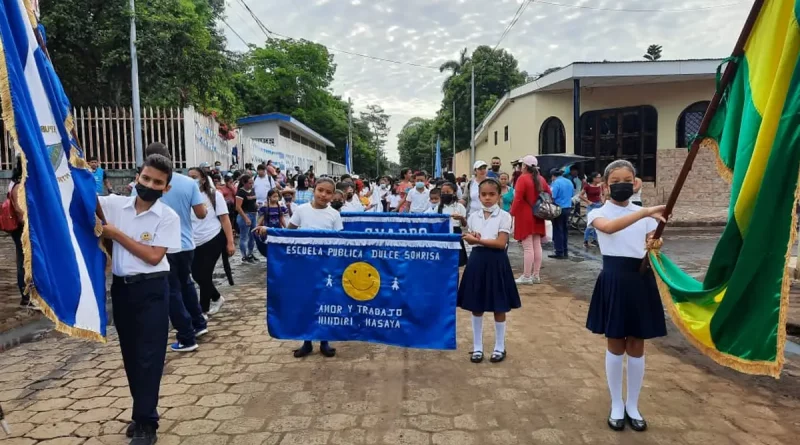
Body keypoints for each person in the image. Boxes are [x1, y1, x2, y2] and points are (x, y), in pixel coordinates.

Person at [99, 154, 180, 445]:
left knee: (149, 358)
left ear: (165, 188)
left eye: (157, 182)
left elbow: (153, 256)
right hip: (122, 290)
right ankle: (142, 412)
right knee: (131, 355)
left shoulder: (168, 217)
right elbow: (82, 199)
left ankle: (148, 424)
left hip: (153, 290)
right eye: (145, 178)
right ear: (137, 177)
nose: (149, 185)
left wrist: (116, 235)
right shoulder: (114, 205)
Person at [585, 160, 667, 433]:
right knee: (616, 342)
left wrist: (655, 243)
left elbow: (649, 247)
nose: (622, 184)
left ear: (635, 183)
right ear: (606, 186)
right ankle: (616, 403)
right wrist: (645, 212)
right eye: (615, 180)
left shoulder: (644, 214)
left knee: (637, 343)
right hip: (614, 279)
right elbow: (609, 229)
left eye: (627, 179)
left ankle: (633, 404)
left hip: (640, 280)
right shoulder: (597, 212)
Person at [135, 144, 209, 354]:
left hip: (161, 247)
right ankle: (198, 323)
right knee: (186, 284)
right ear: (171, 157)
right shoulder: (188, 183)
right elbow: (201, 213)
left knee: (171, 292)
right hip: (186, 244)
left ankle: (186, 336)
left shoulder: (142, 184)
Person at [257, 178, 343, 358]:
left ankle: (325, 342)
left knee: (324, 303)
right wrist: (268, 230)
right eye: (320, 190)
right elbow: (288, 234)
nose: (323, 195)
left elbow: (340, 242)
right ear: (314, 190)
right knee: (305, 302)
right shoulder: (301, 210)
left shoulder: (334, 215)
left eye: (328, 192)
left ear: (333, 195)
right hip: (303, 268)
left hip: (325, 268)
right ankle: (307, 341)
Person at [457, 178, 520, 364]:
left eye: (492, 194)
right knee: (477, 306)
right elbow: (474, 236)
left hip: (496, 262)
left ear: (499, 195)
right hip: (477, 261)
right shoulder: (474, 216)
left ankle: (499, 347)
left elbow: (501, 243)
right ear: (478, 195)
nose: (487, 198)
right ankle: (477, 347)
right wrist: (473, 237)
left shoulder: (504, 216)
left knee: (499, 306)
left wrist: (477, 240)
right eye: (483, 194)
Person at [188, 167, 234, 316]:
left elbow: (225, 219)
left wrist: (230, 242)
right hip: (194, 241)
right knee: (196, 274)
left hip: (213, 238)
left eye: (194, 177)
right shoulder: (187, 195)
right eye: (189, 177)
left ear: (203, 179)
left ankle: (203, 311)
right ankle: (217, 297)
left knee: (205, 275)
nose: (191, 180)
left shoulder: (214, 195)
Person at [510, 155, 551, 285]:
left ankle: (526, 276)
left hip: (525, 214)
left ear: (524, 166)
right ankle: (536, 275)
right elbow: (549, 193)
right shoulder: (541, 179)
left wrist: (511, 213)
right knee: (537, 245)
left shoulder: (522, 179)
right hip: (538, 214)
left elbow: (518, 198)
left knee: (527, 247)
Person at [7, 158, 33, 309]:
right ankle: (26, 295)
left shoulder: (18, 184)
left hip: (23, 227)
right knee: (24, 261)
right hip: (21, 228)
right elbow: (18, 209)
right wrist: (28, 225)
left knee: (26, 260)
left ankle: (29, 293)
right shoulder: (17, 186)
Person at [426, 182, 468, 266]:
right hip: (443, 233)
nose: (445, 194)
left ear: (454, 192)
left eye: (448, 192)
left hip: (455, 233)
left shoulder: (459, 207)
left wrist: (461, 218)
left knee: (456, 260)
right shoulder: (438, 207)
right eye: (443, 193)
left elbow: (464, 224)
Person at [548, 169, 574, 260]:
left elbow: (552, 196)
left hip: (558, 209)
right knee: (564, 229)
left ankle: (559, 252)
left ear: (552, 176)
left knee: (557, 230)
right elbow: (572, 194)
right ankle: (565, 250)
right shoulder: (569, 181)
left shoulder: (556, 183)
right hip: (568, 207)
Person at [235, 174, 258, 263]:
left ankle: (250, 253)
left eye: (252, 183)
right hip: (245, 215)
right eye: (249, 183)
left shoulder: (252, 190)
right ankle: (244, 256)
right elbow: (238, 207)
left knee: (252, 236)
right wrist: (245, 218)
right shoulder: (240, 192)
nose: (251, 185)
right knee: (244, 237)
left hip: (253, 215)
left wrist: (257, 205)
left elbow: (253, 202)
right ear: (244, 183)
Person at [582, 172, 605, 248]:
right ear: (594, 178)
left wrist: (602, 202)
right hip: (591, 205)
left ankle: (595, 240)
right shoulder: (587, 186)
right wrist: (588, 202)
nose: (600, 178)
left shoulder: (600, 186)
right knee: (590, 224)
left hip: (598, 205)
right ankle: (585, 241)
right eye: (598, 177)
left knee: (597, 224)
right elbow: (580, 195)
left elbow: (600, 195)